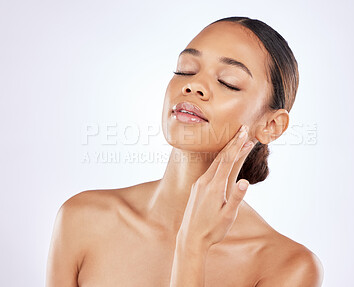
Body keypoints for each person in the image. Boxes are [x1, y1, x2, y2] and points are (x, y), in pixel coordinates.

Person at [46, 16, 324, 286]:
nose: (193, 85)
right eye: (186, 70)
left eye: (228, 82)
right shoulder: (81, 219)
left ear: (272, 125)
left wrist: (193, 246)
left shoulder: (289, 267)